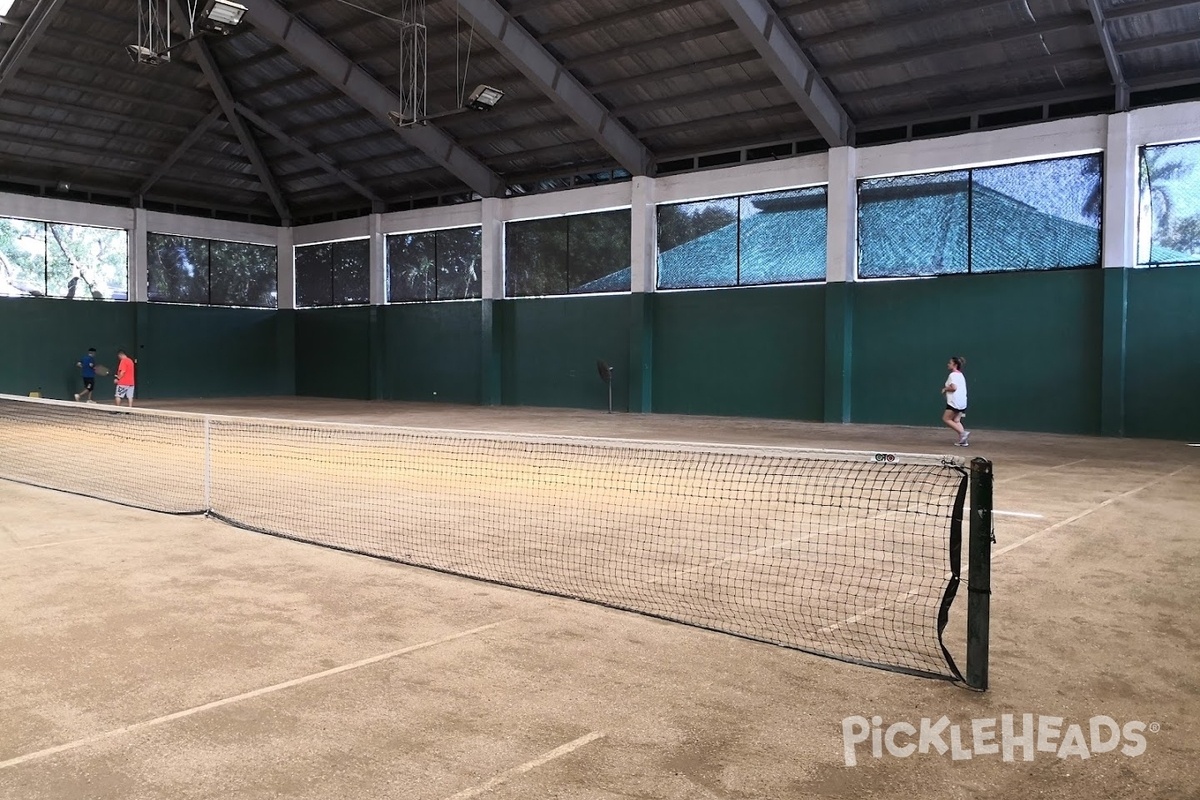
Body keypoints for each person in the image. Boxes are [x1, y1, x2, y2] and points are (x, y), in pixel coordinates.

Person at [940, 356, 969, 446]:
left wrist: (945, 389)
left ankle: (963, 433)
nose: (948, 364)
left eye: (950, 363)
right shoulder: (960, 375)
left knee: (946, 418)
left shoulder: (952, 375)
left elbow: (953, 387)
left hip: (954, 402)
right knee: (956, 420)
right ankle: (963, 441)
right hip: (962, 402)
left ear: (955, 365)